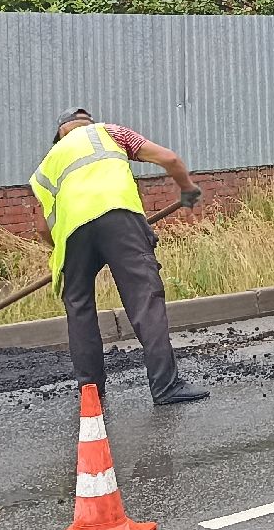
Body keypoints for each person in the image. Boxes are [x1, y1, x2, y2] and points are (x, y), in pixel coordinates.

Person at [31, 107, 208, 405]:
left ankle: (91, 392)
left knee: (79, 309)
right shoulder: (110, 133)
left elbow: (42, 229)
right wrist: (187, 189)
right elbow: (170, 159)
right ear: (89, 123)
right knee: (144, 300)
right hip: (120, 219)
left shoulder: (47, 164)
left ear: (60, 134)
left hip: (73, 233)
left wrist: (66, 250)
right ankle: (165, 387)